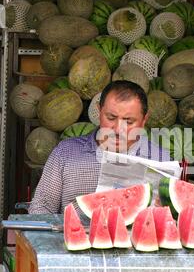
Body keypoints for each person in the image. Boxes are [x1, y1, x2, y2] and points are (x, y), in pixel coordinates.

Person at [29, 81, 170, 215]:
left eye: (129, 121)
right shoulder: (66, 152)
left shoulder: (160, 159)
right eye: (111, 117)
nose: (118, 129)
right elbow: (42, 206)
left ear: (144, 120)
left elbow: (171, 217)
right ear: (99, 111)